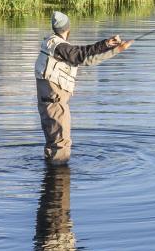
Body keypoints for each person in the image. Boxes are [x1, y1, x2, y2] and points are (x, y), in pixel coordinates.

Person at [35, 11, 130, 165]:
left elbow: (86, 57)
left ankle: (50, 180)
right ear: (68, 28)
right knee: (61, 145)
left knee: (53, 143)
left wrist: (109, 45)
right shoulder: (61, 47)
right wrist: (115, 48)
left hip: (47, 102)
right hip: (56, 103)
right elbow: (80, 55)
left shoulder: (49, 43)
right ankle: (59, 183)